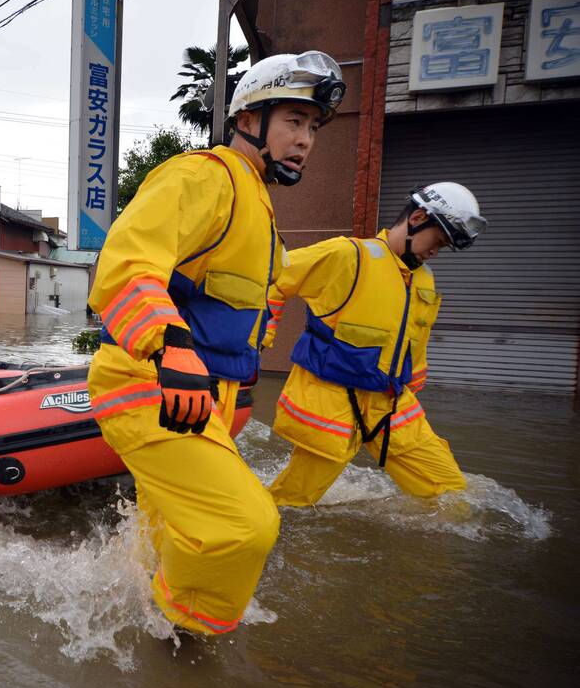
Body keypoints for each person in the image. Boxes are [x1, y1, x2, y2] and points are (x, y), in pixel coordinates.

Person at [85, 51, 346, 636]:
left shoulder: (258, 203)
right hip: (152, 380)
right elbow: (127, 268)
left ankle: (140, 614)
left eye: (312, 128)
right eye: (294, 122)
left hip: (207, 394)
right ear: (250, 119)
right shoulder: (204, 176)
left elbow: (257, 304)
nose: (305, 140)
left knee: (171, 529)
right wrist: (170, 346)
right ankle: (184, 644)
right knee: (245, 525)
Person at [262, 182, 487, 506]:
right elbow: (272, 279)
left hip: (392, 402)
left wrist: (414, 383)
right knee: (292, 503)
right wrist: (258, 340)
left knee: (453, 495)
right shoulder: (347, 255)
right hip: (333, 400)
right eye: (437, 240)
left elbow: (415, 340)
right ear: (418, 217)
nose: (436, 251)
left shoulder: (424, 278)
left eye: (444, 246)